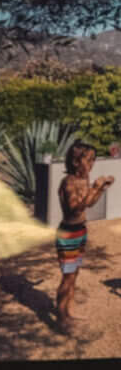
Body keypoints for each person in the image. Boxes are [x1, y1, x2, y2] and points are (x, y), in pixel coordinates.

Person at [55, 139, 113, 327]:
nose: (92, 164)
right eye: (88, 160)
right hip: (68, 234)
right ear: (75, 161)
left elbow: (89, 203)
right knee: (68, 276)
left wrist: (101, 189)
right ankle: (61, 318)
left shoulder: (83, 179)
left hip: (80, 231)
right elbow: (73, 208)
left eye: (93, 160)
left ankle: (68, 311)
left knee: (74, 274)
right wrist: (95, 188)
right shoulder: (69, 181)